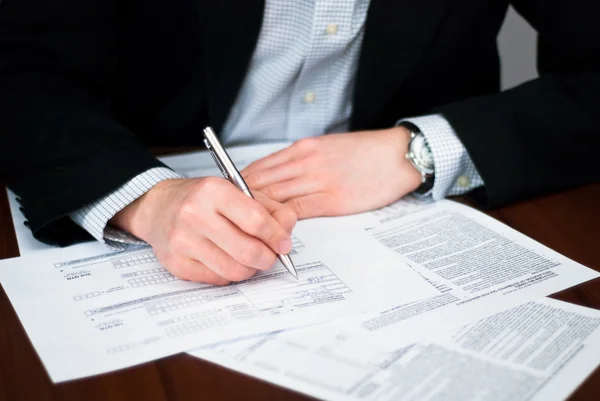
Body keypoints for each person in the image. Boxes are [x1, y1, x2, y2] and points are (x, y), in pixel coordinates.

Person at [1, 1, 598, 285]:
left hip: (413, 205)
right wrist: (146, 200)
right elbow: (23, 67)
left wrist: (420, 150)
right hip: (141, 163)